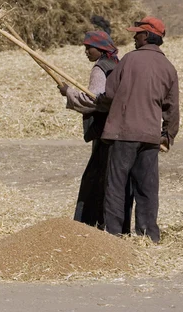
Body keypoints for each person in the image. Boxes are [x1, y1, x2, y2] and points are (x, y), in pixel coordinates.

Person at [96, 16, 179, 243]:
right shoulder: (169, 68)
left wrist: (96, 101)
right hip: (151, 137)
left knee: (116, 186)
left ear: (147, 36)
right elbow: (172, 109)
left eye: (137, 33)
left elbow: (110, 94)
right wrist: (167, 135)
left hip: (124, 133)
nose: (134, 36)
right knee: (147, 189)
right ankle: (148, 237)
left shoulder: (129, 60)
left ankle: (114, 237)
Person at [58, 16, 122, 229]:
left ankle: (87, 223)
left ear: (100, 49)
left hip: (104, 129)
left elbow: (93, 99)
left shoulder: (100, 68)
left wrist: (69, 92)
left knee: (95, 178)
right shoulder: (117, 64)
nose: (86, 52)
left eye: (89, 48)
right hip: (119, 127)